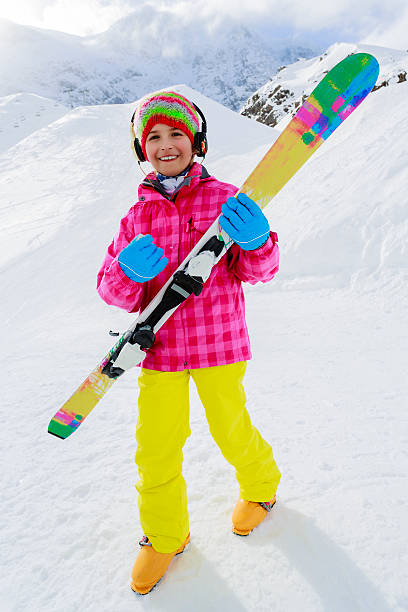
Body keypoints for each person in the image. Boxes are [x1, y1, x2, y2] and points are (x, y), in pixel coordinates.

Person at [96, 90, 281, 595]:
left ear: (196, 141)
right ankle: (164, 536)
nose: (165, 143)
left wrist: (259, 242)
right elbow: (111, 289)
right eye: (153, 136)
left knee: (229, 426)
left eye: (176, 132)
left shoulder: (226, 199)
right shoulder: (137, 215)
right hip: (158, 351)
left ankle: (262, 488)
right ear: (142, 150)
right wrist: (127, 272)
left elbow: (259, 270)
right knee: (155, 448)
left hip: (219, 345)